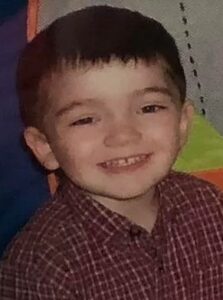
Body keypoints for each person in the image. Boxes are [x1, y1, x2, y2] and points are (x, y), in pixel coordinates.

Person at [0, 5, 222, 299]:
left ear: (182, 124)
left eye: (148, 108)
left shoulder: (210, 205)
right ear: (45, 147)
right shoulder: (41, 267)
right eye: (85, 119)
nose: (123, 136)